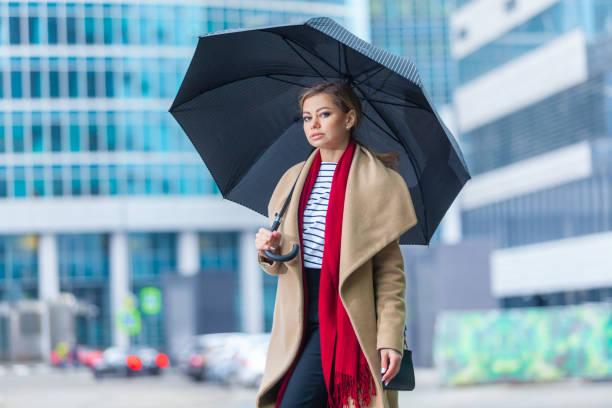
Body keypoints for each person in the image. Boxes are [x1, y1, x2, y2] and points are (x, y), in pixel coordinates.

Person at [254, 81, 418, 408]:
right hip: (297, 318)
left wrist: (389, 339)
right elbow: (284, 259)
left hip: (347, 315)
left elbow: (390, 274)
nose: (313, 124)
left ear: (349, 118)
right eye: (306, 117)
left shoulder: (379, 182)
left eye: (324, 114)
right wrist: (268, 249)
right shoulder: (292, 179)